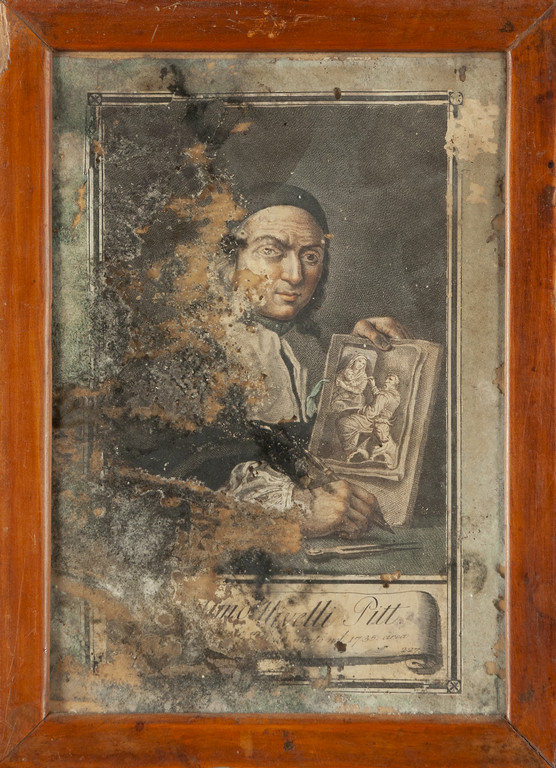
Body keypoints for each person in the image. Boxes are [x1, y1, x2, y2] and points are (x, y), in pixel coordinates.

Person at [218, 184, 410, 538]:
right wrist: (294, 511)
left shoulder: (300, 349)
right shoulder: (193, 350)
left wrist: (360, 354)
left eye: (310, 257)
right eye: (270, 251)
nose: (295, 275)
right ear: (231, 259)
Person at [337, 373, 401, 466]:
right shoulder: (395, 396)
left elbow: (371, 413)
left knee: (343, 423)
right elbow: (380, 400)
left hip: (371, 421)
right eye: (386, 378)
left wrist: (360, 410)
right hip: (383, 422)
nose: (386, 381)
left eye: (390, 379)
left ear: (395, 383)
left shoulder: (384, 395)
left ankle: (350, 450)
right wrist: (373, 386)